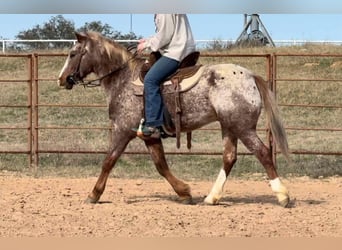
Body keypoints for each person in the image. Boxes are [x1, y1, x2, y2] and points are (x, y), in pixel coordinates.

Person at [133, 14, 196, 139]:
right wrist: (147, 40)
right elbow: (165, 32)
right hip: (182, 49)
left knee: (150, 80)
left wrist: (145, 45)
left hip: (175, 52)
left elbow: (164, 37)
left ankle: (153, 125)